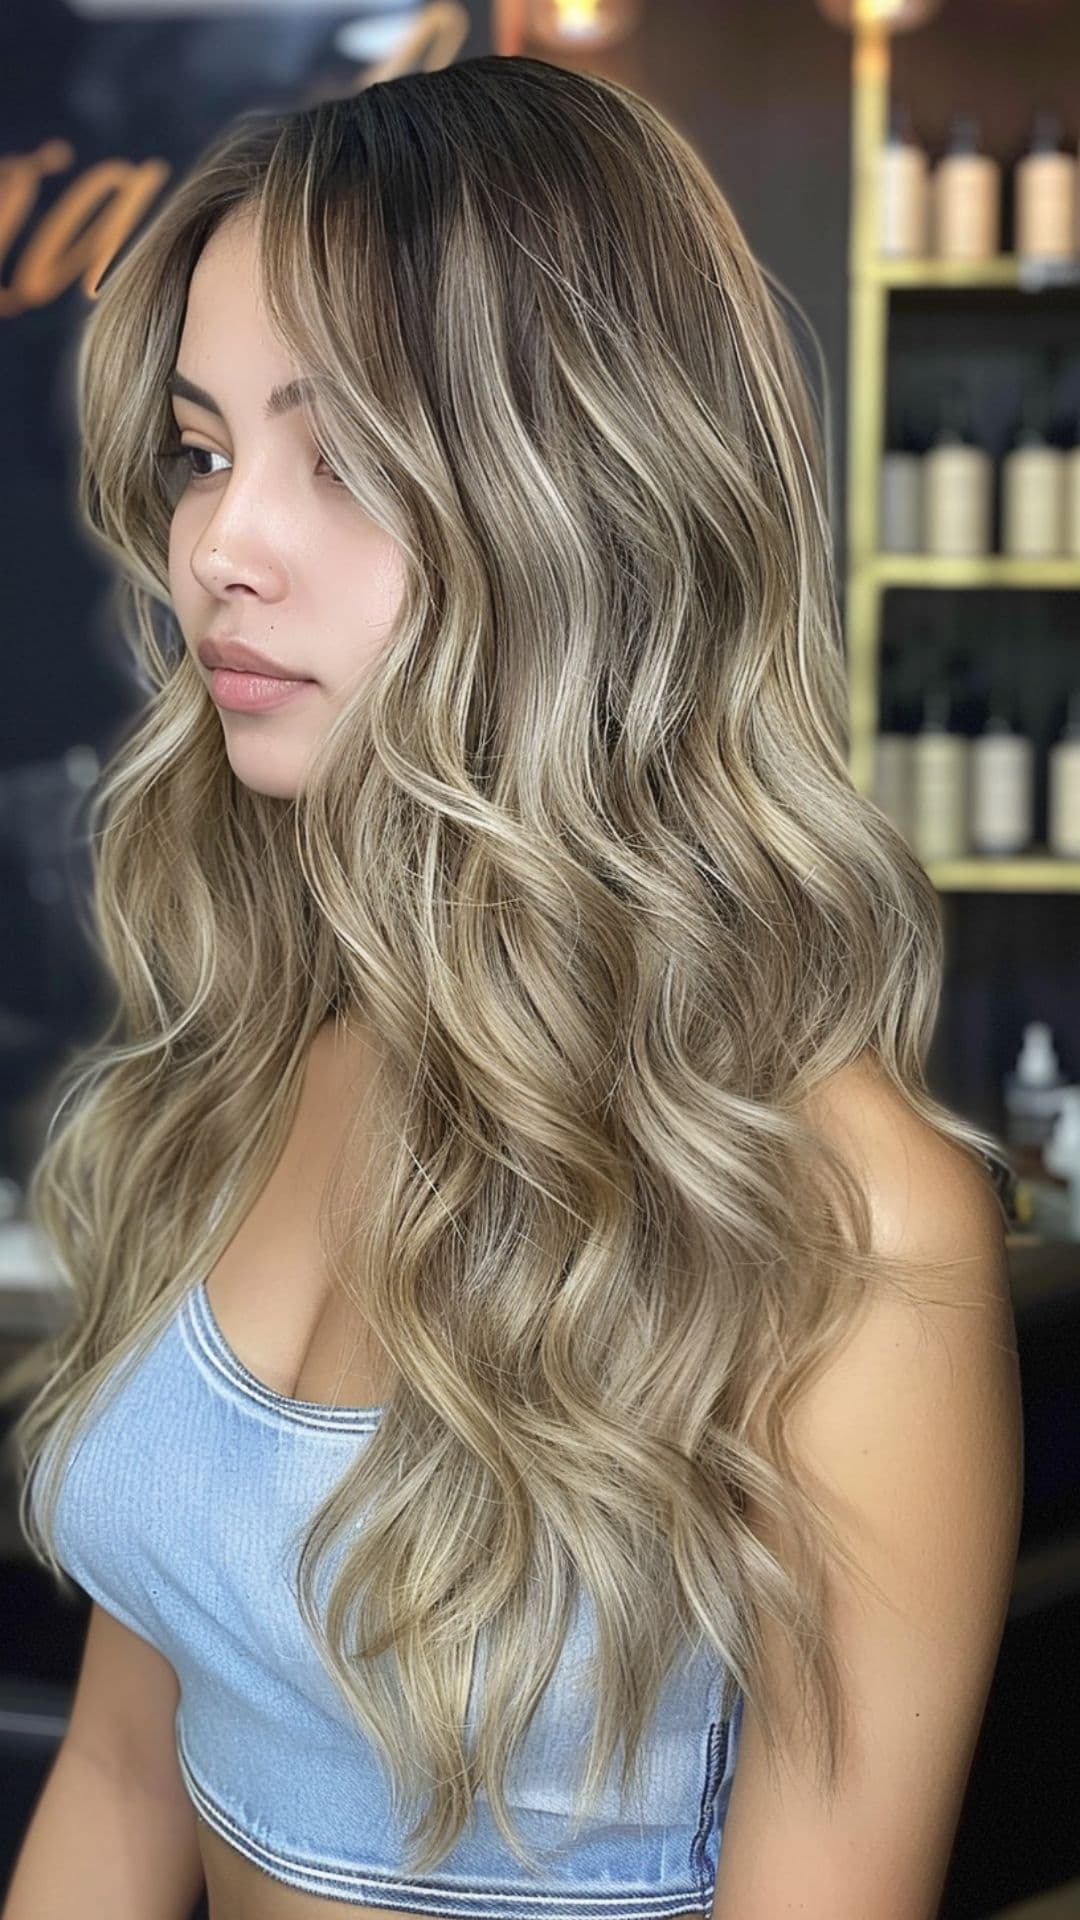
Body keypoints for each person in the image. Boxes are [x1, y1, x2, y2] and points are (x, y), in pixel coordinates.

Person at [2, 53, 1022, 1920]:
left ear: (589, 501)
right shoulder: (266, 1062)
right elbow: (127, 1771)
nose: (219, 545)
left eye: (348, 460)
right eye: (205, 450)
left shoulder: (842, 1223)